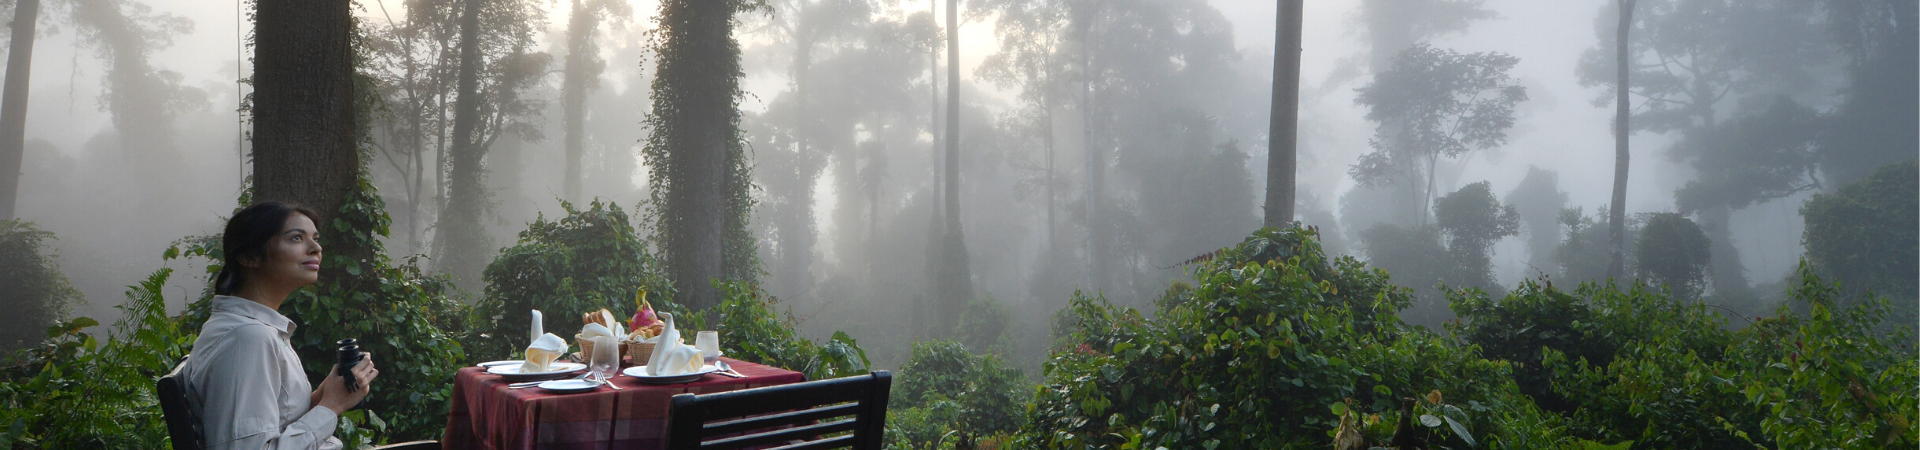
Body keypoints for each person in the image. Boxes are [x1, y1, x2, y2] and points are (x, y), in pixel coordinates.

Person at [182, 202, 379, 450]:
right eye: (296, 238)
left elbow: (280, 420)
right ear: (249, 257)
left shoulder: (254, 329)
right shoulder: (246, 338)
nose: (316, 248)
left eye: (315, 239)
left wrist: (323, 396)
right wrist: (331, 407)